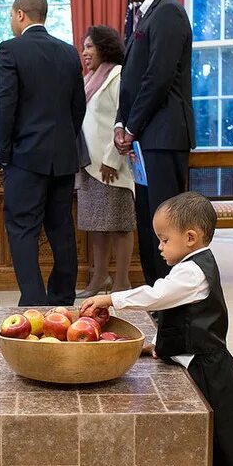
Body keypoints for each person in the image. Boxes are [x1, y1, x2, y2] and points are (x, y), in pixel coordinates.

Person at [80, 192, 233, 466]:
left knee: (220, 433)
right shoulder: (188, 267)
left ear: (191, 237)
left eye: (164, 240)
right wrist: (157, 344)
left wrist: (112, 298)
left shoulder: (192, 272)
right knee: (199, 428)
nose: (159, 247)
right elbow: (181, 319)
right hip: (196, 356)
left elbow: (158, 297)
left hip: (210, 365)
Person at [0, 0, 87, 306]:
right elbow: (78, 108)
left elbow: (4, 106)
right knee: (61, 229)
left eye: (10, 15)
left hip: (24, 158)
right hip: (62, 159)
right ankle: (62, 297)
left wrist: (3, 154)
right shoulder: (69, 53)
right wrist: (64, 143)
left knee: (22, 230)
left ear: (20, 14)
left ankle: (34, 302)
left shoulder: (10, 50)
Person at [115, 0, 195, 285]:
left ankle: (171, 301)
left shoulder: (169, 13)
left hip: (163, 137)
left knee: (167, 226)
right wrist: (121, 122)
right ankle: (156, 298)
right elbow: (131, 78)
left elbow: (158, 78)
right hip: (146, 139)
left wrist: (131, 127)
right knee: (150, 221)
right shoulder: (145, 17)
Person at [75, 25, 135, 298]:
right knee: (96, 225)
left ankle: (122, 282)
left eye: (90, 46)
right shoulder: (88, 79)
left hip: (112, 165)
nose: (85, 52)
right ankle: (100, 278)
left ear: (104, 47)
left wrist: (113, 158)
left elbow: (123, 119)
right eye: (84, 46)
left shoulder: (118, 75)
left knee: (120, 225)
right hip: (89, 164)